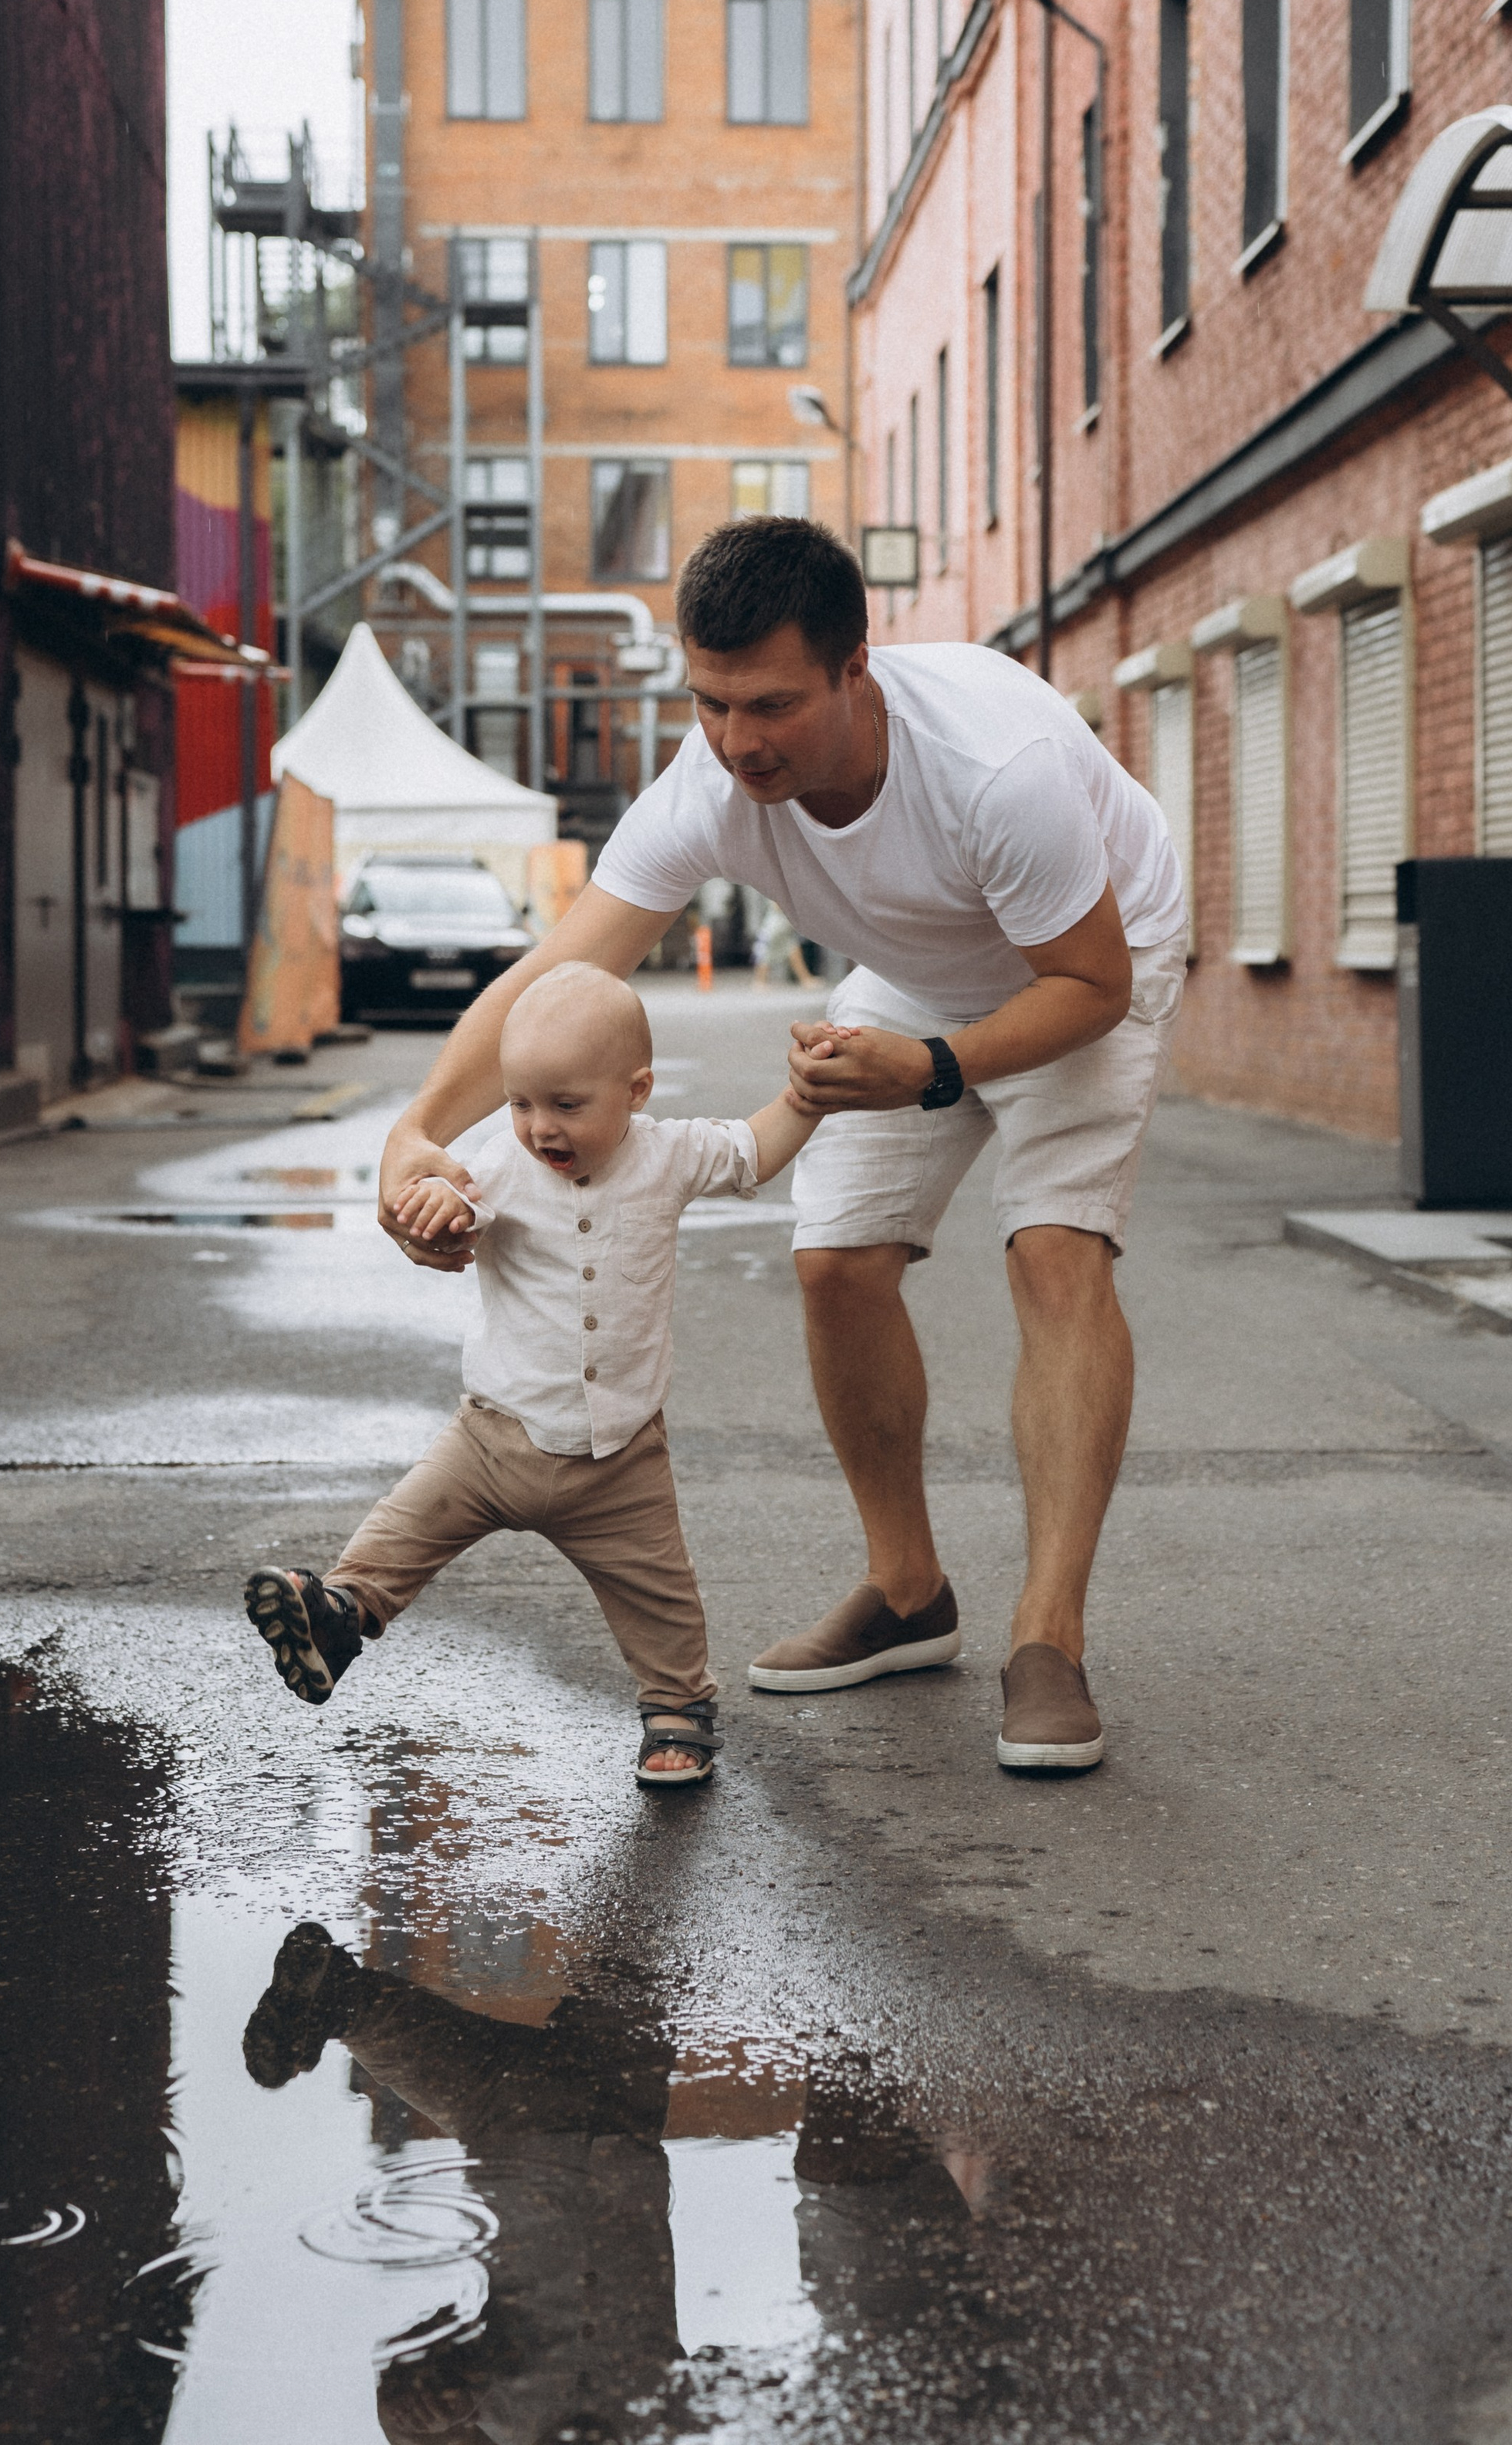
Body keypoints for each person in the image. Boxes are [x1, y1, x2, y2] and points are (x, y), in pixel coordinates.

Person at [375, 519, 1186, 1777]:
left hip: (1088, 960)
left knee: (1054, 1253)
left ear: (857, 666)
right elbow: (561, 971)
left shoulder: (994, 769)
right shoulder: (707, 788)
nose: (738, 740)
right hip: (915, 974)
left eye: (772, 705)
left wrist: (933, 1068)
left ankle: (1048, 1641)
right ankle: (909, 1593)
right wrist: (419, 1129)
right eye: (710, 702)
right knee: (836, 1262)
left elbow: (1092, 983)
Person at [245, 960, 818, 1784]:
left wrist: (805, 1098)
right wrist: (438, 1211)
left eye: (566, 1105)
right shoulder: (502, 1162)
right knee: (400, 1532)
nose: (539, 1127)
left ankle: (677, 1710)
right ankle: (338, 1615)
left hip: (618, 1458)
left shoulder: (670, 1155)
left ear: (636, 1091)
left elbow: (753, 1152)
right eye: (520, 1104)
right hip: (490, 1440)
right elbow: (458, 1209)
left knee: (659, 1594)